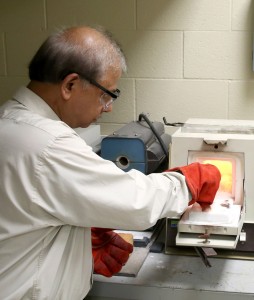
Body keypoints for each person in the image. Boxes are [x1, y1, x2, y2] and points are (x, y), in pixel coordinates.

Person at [0, 25, 221, 300]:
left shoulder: (9, 121)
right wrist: (190, 180)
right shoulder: (48, 144)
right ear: (70, 85)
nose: (109, 107)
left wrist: (74, 236)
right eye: (107, 95)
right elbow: (139, 201)